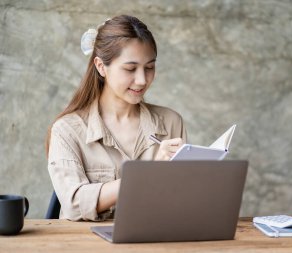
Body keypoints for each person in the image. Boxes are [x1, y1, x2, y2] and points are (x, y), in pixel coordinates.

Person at [46, 15, 187, 221]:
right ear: (101, 66)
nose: (142, 80)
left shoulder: (171, 122)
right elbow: (75, 204)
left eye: (149, 67)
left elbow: (181, 203)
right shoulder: (67, 130)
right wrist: (148, 175)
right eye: (130, 69)